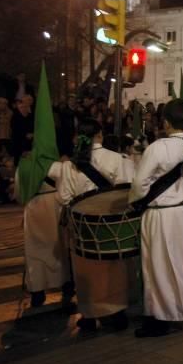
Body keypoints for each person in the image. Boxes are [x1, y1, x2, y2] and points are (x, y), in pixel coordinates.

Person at [130, 99, 183, 337]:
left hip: (159, 215)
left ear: (166, 122)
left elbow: (139, 184)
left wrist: (135, 201)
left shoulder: (157, 147)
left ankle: (160, 318)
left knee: (157, 267)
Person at [58, 119, 135, 332]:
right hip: (111, 224)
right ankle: (117, 311)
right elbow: (126, 190)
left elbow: (64, 197)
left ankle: (89, 315)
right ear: (100, 135)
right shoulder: (116, 158)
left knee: (85, 268)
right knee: (113, 268)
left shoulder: (68, 165)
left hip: (83, 227)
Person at [14, 66, 75, 312]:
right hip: (56, 207)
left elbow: (19, 192)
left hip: (34, 207)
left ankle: (37, 291)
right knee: (60, 248)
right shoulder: (61, 165)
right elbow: (70, 190)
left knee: (35, 250)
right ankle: (65, 286)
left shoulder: (25, 164)